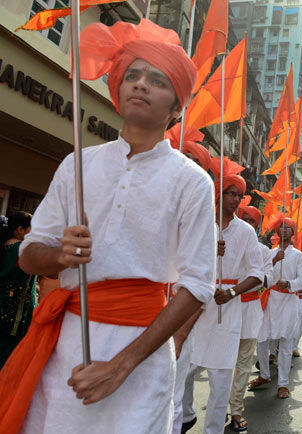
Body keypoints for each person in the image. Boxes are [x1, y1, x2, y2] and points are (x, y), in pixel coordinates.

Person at [0, 19, 217, 434]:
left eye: (156, 79)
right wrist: (58, 255)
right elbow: (29, 254)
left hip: (142, 356)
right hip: (65, 346)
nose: (140, 84)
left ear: (176, 108)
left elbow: (198, 287)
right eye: (132, 75)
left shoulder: (192, 181)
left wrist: (121, 366)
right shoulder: (79, 163)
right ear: (117, 90)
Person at [186, 158, 264, 434]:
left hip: (226, 311)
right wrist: (210, 250)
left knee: (220, 379)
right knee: (183, 369)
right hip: (194, 305)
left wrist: (231, 292)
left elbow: (258, 274)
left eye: (239, 195)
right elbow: (180, 258)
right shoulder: (201, 223)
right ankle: (184, 417)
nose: (235, 199)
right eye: (231, 193)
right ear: (219, 194)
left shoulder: (246, 232)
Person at [164, 122, 210, 434]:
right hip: (133, 321)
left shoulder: (203, 218)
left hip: (173, 324)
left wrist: (178, 335)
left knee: (171, 397)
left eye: (193, 165)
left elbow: (198, 285)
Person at [249, 215, 302, 399]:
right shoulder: (269, 252)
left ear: (292, 232)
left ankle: (283, 384)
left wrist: (290, 284)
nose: (283, 230)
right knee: (262, 339)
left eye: (287, 227)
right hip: (270, 299)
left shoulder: (298, 255)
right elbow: (262, 274)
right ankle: (264, 375)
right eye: (281, 227)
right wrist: (274, 260)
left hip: (288, 302)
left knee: (285, 343)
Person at [227, 204, 274, 432]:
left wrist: (254, 278)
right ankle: (221, 405)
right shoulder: (224, 241)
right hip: (224, 309)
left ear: (258, 226)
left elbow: (269, 278)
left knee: (244, 364)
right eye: (243, 217)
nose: (247, 223)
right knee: (223, 362)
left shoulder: (264, 251)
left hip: (250, 310)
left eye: (252, 220)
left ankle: (236, 410)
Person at [0, 212, 34, 368]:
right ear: (20, 230)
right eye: (31, 229)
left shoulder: (4, 246)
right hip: (13, 315)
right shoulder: (22, 250)